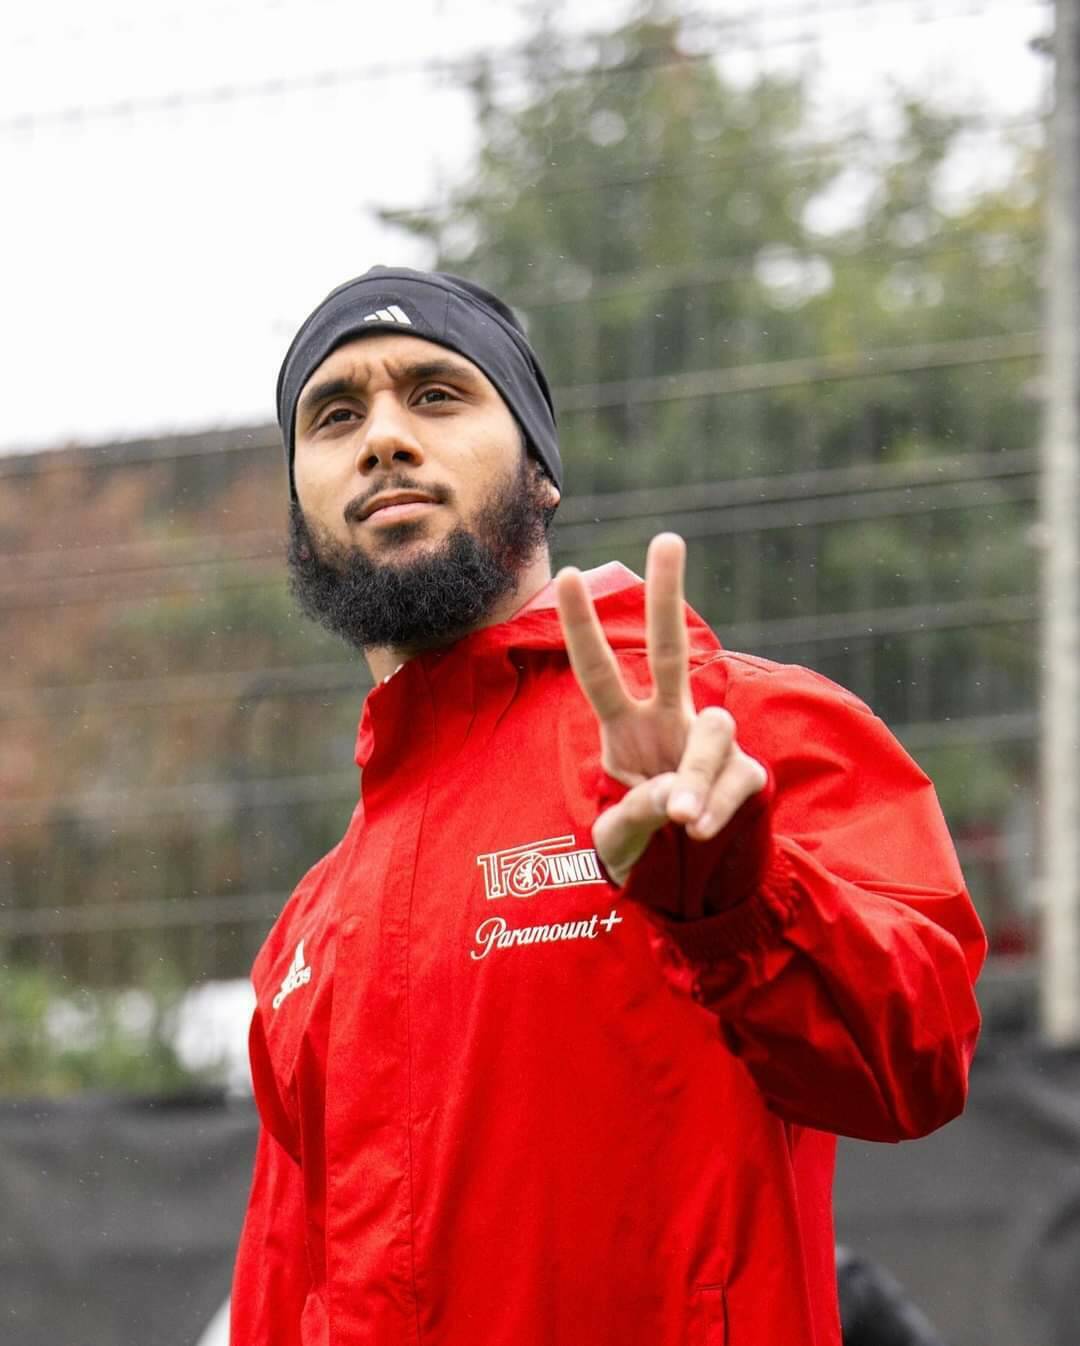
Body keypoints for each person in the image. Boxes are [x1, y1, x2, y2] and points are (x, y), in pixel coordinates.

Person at [230, 265, 986, 1346]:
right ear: (302, 516)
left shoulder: (739, 732)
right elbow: (280, 1299)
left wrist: (731, 892)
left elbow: (919, 1065)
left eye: (436, 394)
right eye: (336, 414)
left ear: (540, 470)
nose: (384, 437)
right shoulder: (308, 931)